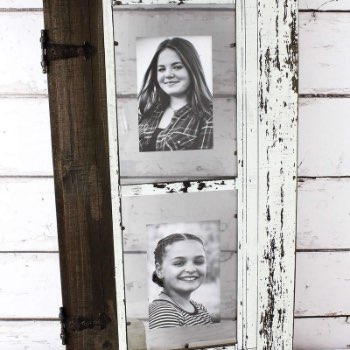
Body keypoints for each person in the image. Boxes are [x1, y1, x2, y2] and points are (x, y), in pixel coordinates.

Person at [138, 37, 213, 152]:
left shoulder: (208, 116)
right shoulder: (147, 112)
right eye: (161, 69)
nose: (168, 74)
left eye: (177, 67)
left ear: (192, 70)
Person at [149, 233, 213, 329]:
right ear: (160, 270)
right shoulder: (163, 312)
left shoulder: (200, 308)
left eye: (198, 262)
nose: (191, 269)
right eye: (179, 263)